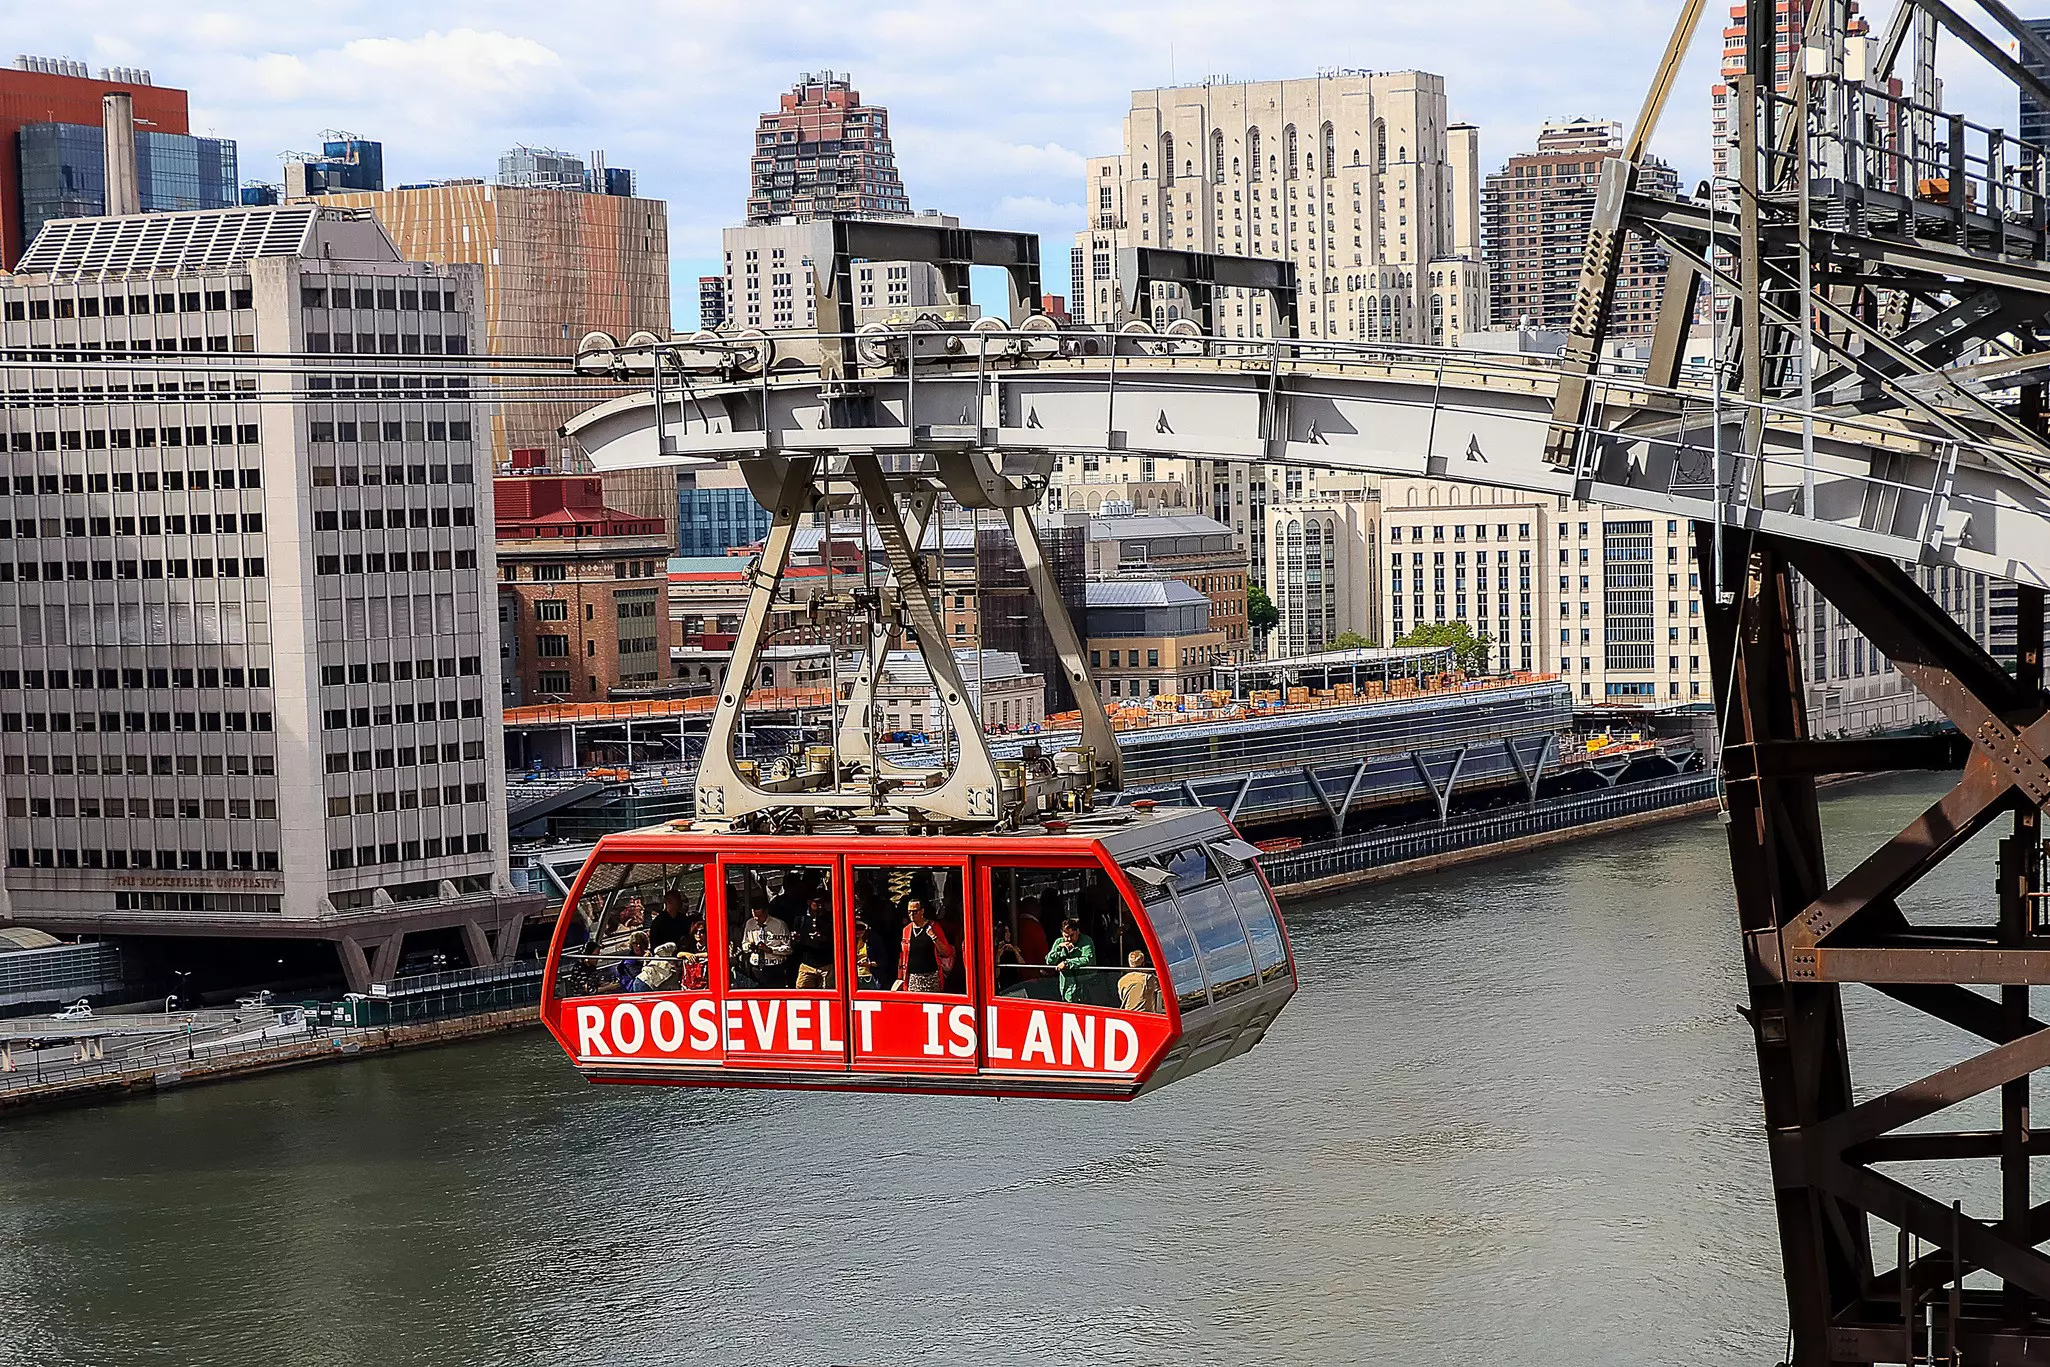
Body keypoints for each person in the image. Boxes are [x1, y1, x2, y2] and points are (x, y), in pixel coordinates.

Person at [895, 899, 955, 994]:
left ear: (922, 911)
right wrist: (900, 978)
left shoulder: (933, 926)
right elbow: (903, 956)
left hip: (931, 977)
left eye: (915, 911)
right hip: (913, 978)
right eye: (909, 912)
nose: (911, 914)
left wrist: (933, 937)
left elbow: (946, 952)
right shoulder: (906, 930)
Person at [733, 897, 792, 989]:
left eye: (760, 916)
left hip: (774, 969)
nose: (757, 919)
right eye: (755, 916)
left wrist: (770, 949)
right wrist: (749, 946)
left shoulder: (779, 925)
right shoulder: (750, 923)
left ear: (766, 912)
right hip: (756, 968)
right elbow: (744, 944)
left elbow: (788, 949)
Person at [1045, 918, 1098, 1003]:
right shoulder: (1059, 942)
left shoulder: (1086, 941)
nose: (1069, 939)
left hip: (1085, 986)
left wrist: (1067, 963)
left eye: (1072, 935)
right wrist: (1058, 949)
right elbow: (1049, 961)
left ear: (1077, 931)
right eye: (1066, 936)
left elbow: (1087, 959)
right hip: (1067, 987)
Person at [792, 888, 835, 990]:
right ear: (809, 902)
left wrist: (823, 938)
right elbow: (795, 943)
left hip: (826, 964)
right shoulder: (800, 918)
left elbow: (836, 939)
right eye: (817, 902)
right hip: (807, 964)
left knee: (828, 995)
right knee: (802, 993)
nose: (820, 905)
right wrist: (799, 938)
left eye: (822, 902)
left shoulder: (830, 918)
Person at [1119, 949, 1162, 1013]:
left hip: (1127, 1014)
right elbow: (1161, 987)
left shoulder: (1122, 980)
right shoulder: (1148, 978)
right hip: (1145, 1015)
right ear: (1143, 963)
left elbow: (1122, 998)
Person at [681, 920, 711, 990]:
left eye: (702, 932)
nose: (698, 934)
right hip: (689, 984)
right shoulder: (690, 945)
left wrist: (697, 955)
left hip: (706, 984)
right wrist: (686, 954)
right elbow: (678, 954)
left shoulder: (710, 945)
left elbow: (714, 954)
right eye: (695, 932)